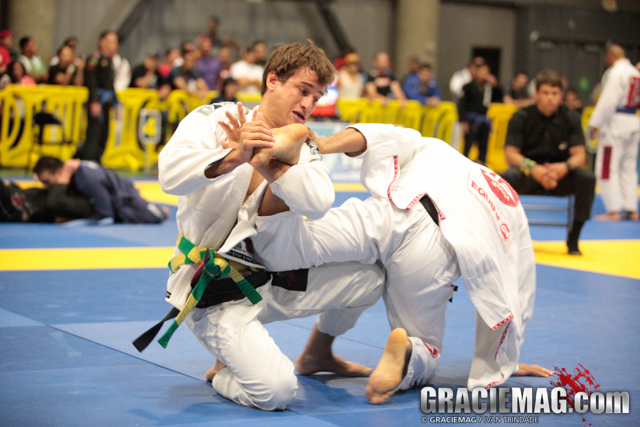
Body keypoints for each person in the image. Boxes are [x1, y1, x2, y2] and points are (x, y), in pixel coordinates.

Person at [251, 122, 551, 404]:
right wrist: (504, 360)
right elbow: (517, 286)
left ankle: (272, 177)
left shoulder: (440, 150)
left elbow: (376, 135)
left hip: (387, 213)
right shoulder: (509, 202)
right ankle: (408, 350)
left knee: (297, 247)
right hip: (432, 250)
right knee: (427, 348)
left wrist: (320, 144)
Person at [155, 41, 382, 411]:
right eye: (303, 90)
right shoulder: (216, 119)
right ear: (273, 80)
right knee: (276, 391)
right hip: (214, 290)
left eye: (317, 96)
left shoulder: (301, 146)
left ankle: (318, 353)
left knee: (370, 279)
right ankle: (223, 371)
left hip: (270, 281)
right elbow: (169, 174)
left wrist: (268, 160)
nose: (309, 104)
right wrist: (234, 156)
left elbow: (318, 202)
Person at [501, 69, 595, 255]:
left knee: (587, 179)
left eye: (555, 93)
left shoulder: (571, 117)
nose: (550, 98)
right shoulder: (521, 117)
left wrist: (564, 167)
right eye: (545, 93)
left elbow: (580, 155)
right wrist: (533, 168)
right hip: (529, 173)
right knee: (505, 178)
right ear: (536, 94)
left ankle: (574, 239)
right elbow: (510, 155)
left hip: (559, 175)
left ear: (561, 95)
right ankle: (505, 236)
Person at [588, 44, 640, 221]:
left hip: (615, 125)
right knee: (628, 167)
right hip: (633, 122)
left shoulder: (616, 72)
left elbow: (608, 101)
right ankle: (631, 209)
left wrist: (594, 123)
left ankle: (613, 210)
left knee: (607, 167)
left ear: (610, 56)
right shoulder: (635, 72)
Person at [34, 156, 169, 224]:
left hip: (126, 199)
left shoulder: (86, 178)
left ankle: (161, 210)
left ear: (59, 172)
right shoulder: (78, 174)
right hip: (119, 192)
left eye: (47, 182)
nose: (46, 187)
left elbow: (105, 216)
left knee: (157, 216)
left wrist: (68, 220)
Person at [77, 30, 117, 162]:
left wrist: (116, 103)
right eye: (112, 42)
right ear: (102, 43)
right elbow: (91, 80)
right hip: (97, 102)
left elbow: (110, 85)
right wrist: (94, 101)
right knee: (93, 135)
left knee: (104, 136)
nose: (115, 45)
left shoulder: (109, 61)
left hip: (106, 104)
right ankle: (87, 164)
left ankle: (97, 163)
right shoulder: (94, 58)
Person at [459, 63, 503, 165]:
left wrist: (496, 85)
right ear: (477, 72)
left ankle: (481, 166)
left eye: (487, 72)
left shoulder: (488, 87)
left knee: (483, 147)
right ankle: (464, 166)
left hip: (484, 121)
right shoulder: (468, 87)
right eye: (482, 72)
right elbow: (461, 104)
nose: (484, 74)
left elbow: (499, 99)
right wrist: (463, 121)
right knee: (467, 147)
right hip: (471, 120)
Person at [0, 178, 92, 223]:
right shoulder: (53, 191)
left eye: (46, 182)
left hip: (17, 208)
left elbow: (54, 204)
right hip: (16, 196)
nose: (45, 186)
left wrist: (64, 177)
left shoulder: (59, 198)